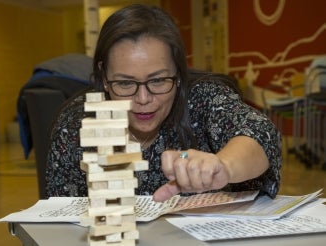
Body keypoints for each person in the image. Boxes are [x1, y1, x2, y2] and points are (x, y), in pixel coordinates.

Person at [45, 4, 282, 202]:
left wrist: (224, 166)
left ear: (178, 74)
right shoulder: (77, 126)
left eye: (158, 80)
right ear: (104, 77)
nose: (143, 99)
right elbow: (60, 219)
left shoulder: (203, 99)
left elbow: (260, 134)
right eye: (125, 84)